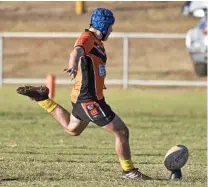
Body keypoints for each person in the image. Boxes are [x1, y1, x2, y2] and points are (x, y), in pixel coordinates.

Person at [16, 8, 151, 180]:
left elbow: (94, 66)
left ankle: (42, 99)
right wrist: (72, 65)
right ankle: (129, 171)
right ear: (103, 26)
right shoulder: (87, 38)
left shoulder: (97, 42)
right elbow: (77, 51)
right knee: (121, 132)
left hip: (86, 97)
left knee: (72, 129)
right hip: (89, 100)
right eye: (110, 26)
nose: (111, 30)